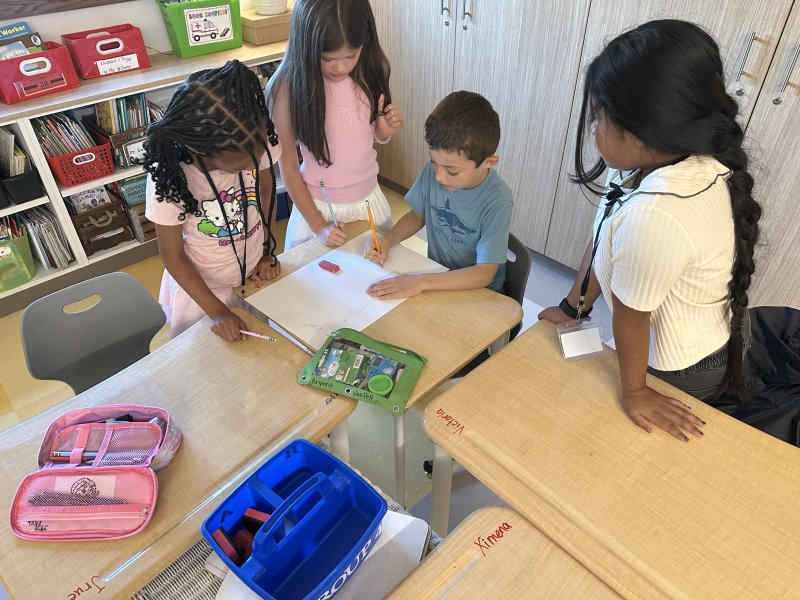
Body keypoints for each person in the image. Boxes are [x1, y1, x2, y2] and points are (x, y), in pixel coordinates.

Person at [539, 20, 762, 442]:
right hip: (703, 334)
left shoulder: (656, 215)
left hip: (684, 366)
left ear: (640, 132)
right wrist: (573, 309)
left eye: (599, 116)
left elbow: (632, 316)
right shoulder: (659, 159)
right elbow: (604, 236)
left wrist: (636, 392)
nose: (592, 128)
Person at [143, 60, 282, 341]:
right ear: (200, 150)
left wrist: (265, 249)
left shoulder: (255, 143)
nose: (251, 167)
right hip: (202, 295)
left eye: (255, 160)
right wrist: (217, 311)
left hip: (249, 274)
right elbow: (173, 256)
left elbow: (266, 191)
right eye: (239, 167)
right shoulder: (172, 175)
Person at [266, 0, 403, 251]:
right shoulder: (286, 87)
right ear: (306, 46)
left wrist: (384, 129)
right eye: (327, 58)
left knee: (377, 268)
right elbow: (289, 169)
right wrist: (319, 226)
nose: (340, 67)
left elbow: (366, 136)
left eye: (351, 55)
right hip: (318, 209)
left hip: (369, 201)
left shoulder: (367, 71)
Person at [364, 90, 513, 299]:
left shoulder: (498, 200)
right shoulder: (436, 172)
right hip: (438, 275)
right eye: (434, 163)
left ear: (488, 162)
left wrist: (420, 282)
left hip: (480, 294)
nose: (439, 177)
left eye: (452, 171)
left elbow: (484, 273)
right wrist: (388, 239)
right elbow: (417, 216)